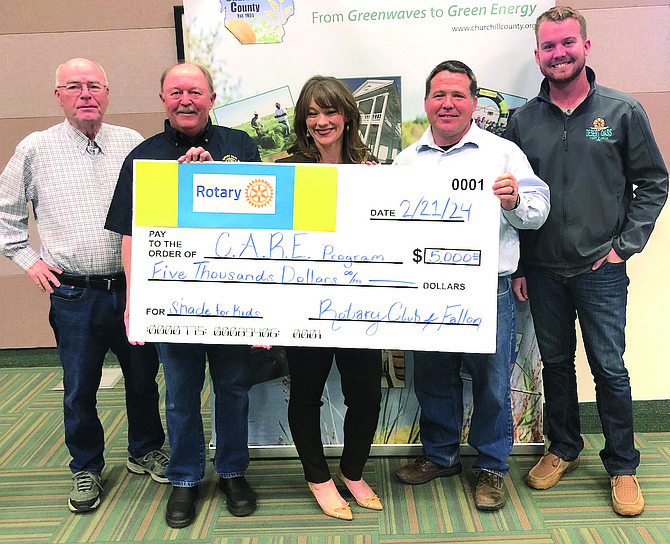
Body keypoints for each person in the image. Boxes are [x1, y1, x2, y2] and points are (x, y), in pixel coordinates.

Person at [505, 6, 668, 517]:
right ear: (538, 55)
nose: (559, 53)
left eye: (567, 43)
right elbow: (516, 203)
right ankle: (564, 448)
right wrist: (523, 267)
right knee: (555, 364)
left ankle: (622, 465)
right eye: (549, 46)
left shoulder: (621, 112)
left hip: (602, 269)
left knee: (609, 367)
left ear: (585, 46)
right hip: (544, 272)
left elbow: (654, 183)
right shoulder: (522, 122)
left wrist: (625, 246)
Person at [0, 58, 168, 513]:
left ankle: (145, 449)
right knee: (79, 387)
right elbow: (5, 215)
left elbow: (158, 205)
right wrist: (30, 261)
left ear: (108, 93)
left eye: (94, 85)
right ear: (58, 96)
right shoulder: (35, 149)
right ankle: (87, 467)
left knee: (142, 379)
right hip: (74, 295)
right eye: (74, 86)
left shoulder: (131, 143)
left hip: (132, 289)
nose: (86, 94)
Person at [105, 63, 261, 528]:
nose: (185, 100)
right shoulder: (143, 156)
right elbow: (130, 235)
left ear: (212, 98)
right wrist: (135, 303)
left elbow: (264, 218)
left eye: (195, 91)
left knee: (233, 389)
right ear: (163, 100)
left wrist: (219, 186)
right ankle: (186, 478)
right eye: (176, 92)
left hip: (231, 299)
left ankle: (233, 472)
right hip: (174, 302)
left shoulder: (240, 146)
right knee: (180, 394)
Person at [393, 61, 550, 511]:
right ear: (426, 103)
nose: (448, 104)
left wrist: (516, 199)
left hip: (488, 288)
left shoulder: (502, 153)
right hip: (427, 289)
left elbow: (539, 208)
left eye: (458, 95)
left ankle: (491, 468)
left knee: (492, 382)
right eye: (439, 95)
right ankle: (440, 456)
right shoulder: (406, 161)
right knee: (434, 377)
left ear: (474, 103)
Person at [275, 76, 382, 521]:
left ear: (347, 116)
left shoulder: (370, 164)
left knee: (366, 394)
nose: (322, 121)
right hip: (304, 305)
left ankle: (353, 472)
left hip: (358, 303)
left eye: (330, 111)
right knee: (306, 394)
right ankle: (318, 478)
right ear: (303, 120)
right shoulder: (284, 166)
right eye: (313, 113)